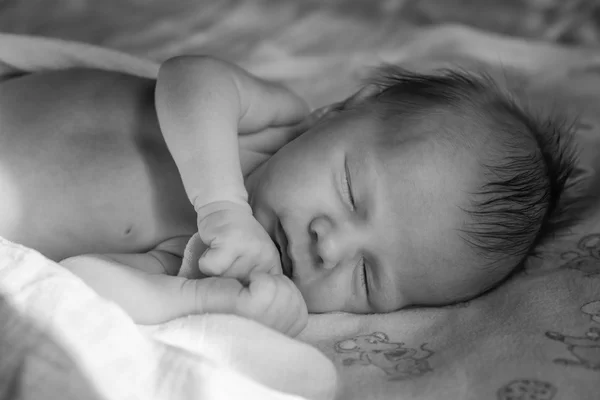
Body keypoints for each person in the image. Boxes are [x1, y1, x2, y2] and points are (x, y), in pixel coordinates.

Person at [0, 56, 576, 336]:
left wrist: (198, 301)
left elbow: (76, 285)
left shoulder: (205, 262)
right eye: (352, 190)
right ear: (339, 111)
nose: (333, 247)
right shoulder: (276, 120)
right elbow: (188, 78)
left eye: (367, 280)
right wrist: (222, 203)